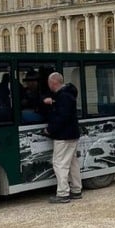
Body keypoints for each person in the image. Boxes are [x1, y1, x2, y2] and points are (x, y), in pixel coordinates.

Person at [44, 72, 82, 204]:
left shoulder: (62, 97)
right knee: (72, 163)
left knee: (60, 164)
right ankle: (76, 189)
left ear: (53, 82)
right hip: (72, 134)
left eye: (49, 83)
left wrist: (49, 129)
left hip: (63, 136)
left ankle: (63, 193)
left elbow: (61, 117)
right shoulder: (68, 94)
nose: (48, 86)